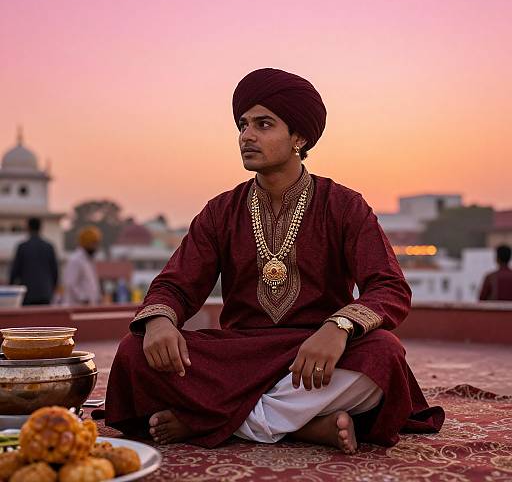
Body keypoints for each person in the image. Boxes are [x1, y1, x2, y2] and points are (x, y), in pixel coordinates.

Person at [105, 68, 444, 453]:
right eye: (242, 125)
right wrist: (161, 321)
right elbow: (175, 284)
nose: (246, 136)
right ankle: (302, 427)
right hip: (237, 355)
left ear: (299, 137)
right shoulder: (221, 211)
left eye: (263, 124)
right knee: (134, 352)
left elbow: (389, 286)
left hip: (314, 354)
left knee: (384, 354)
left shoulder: (343, 205)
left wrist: (339, 328)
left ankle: (208, 421)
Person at [9, 217, 58, 305]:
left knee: (27, 318)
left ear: (28, 228)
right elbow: (55, 272)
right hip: (45, 293)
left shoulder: (22, 247)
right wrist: (52, 289)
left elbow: (14, 271)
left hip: (27, 294)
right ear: (40, 228)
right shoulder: (49, 247)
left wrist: (11, 289)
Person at [63, 226, 102, 305]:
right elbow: (70, 283)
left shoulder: (89, 260)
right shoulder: (75, 260)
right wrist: (83, 298)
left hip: (89, 307)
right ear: (86, 243)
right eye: (93, 243)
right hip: (76, 307)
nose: (96, 247)